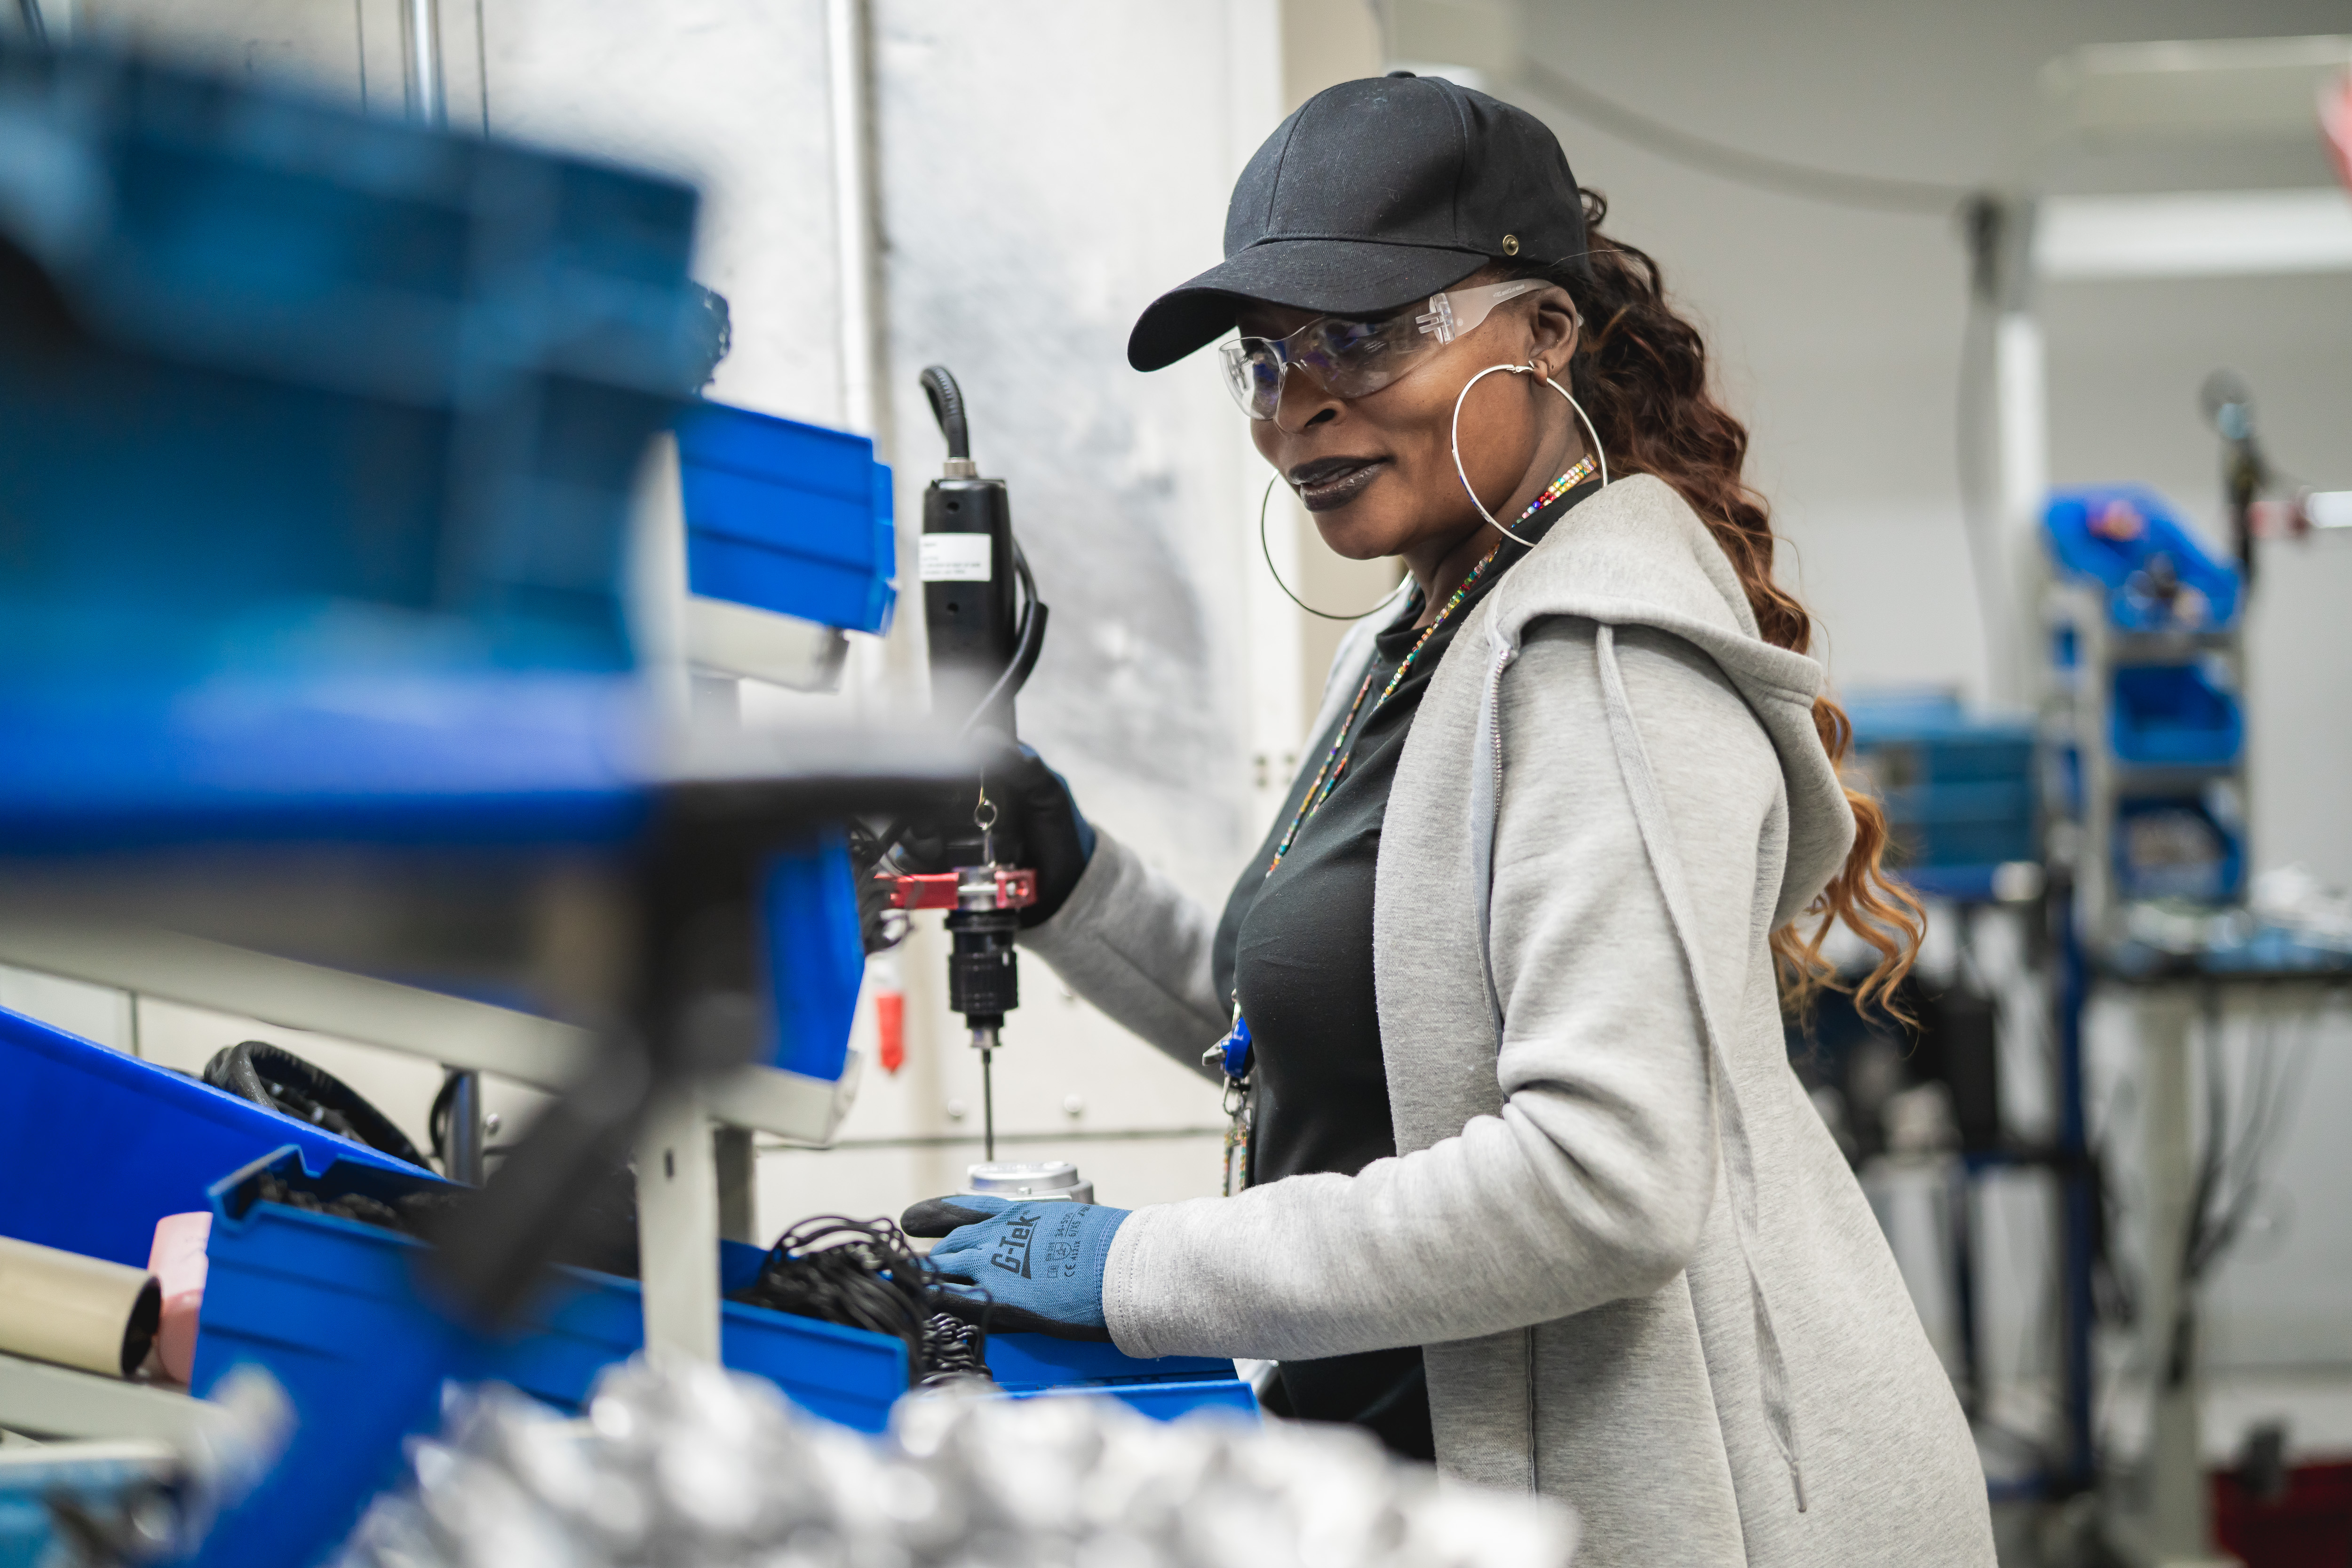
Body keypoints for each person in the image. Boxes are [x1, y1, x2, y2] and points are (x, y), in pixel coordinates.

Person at [903, 74, 1996, 1567]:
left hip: (1688, 1511)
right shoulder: (1429, 631)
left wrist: (1135, 1267)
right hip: (1425, 1484)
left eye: (1366, 335)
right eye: (1266, 359)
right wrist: (1075, 884)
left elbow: (1601, 1182)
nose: (1301, 406)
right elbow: (1351, 1039)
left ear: (1546, 332)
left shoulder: (1602, 663)